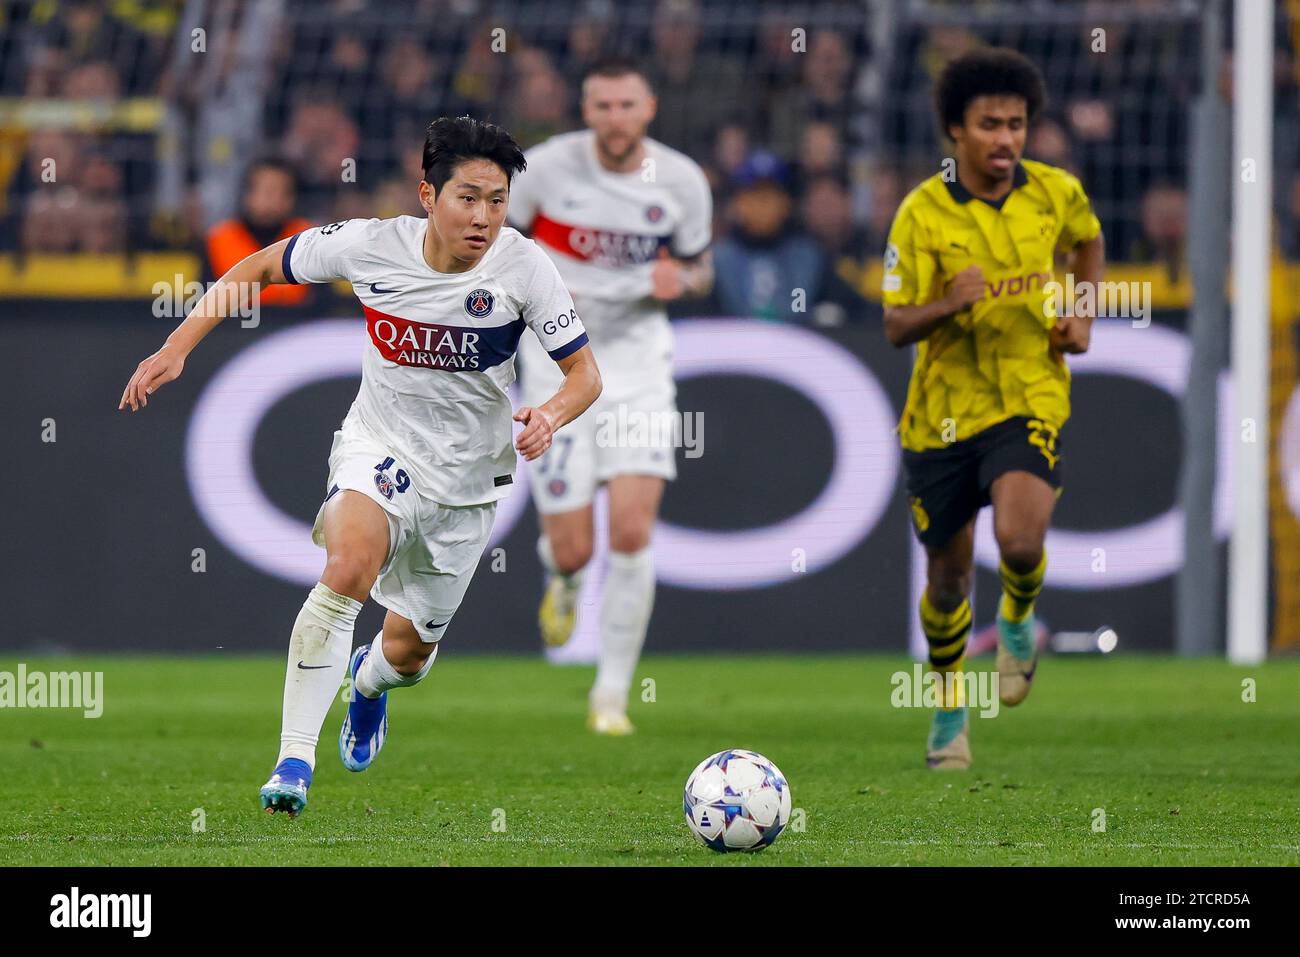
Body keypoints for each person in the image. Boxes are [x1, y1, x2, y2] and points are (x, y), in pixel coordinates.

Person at [118, 116, 602, 815]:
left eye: (497, 201)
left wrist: (550, 413)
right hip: (380, 447)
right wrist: (178, 345)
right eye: (468, 197)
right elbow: (258, 264)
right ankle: (293, 759)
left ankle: (367, 685)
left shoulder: (524, 267)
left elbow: (585, 374)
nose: (484, 217)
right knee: (348, 567)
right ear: (427, 195)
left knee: (408, 655)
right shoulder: (371, 245)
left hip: (467, 486)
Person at [880, 49, 1105, 770]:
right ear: (956, 131)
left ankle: (1016, 617)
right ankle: (948, 707)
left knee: (1018, 541)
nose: (1006, 139)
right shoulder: (921, 213)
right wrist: (950, 301)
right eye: (989, 125)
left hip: (1028, 394)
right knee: (947, 579)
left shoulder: (1055, 191)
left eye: (1016, 124)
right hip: (940, 417)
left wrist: (1082, 310)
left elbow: (1089, 240)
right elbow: (895, 324)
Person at [506, 56, 713, 735]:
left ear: (649, 107)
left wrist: (680, 282)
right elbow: (499, 244)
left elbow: (701, 268)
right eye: (602, 106)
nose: (615, 119)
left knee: (631, 529)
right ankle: (562, 577)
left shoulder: (680, 180)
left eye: (627, 106)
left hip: (636, 366)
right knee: (574, 548)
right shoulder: (544, 169)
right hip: (555, 362)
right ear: (585, 110)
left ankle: (611, 696)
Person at [206, 157, 313, 307]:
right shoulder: (219, 239)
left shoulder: (308, 238)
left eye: (279, 191)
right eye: (265, 190)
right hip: (233, 326)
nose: (270, 199)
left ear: (291, 198)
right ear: (248, 194)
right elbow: (204, 301)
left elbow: (321, 301)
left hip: (296, 326)